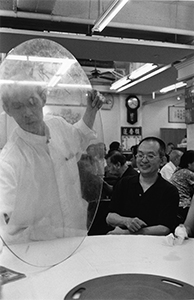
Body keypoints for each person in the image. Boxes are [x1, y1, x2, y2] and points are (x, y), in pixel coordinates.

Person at [0, 75, 104, 243]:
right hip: (37, 251)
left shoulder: (58, 126)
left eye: (32, 102)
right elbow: (3, 223)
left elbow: (78, 137)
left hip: (76, 237)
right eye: (17, 106)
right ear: (7, 109)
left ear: (43, 98)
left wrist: (91, 112)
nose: (27, 113)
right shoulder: (8, 162)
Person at [106, 136, 179, 236]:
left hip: (154, 245)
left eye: (150, 156)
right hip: (122, 245)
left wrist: (127, 233)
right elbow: (110, 217)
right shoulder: (124, 183)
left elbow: (164, 228)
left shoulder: (169, 191)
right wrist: (127, 221)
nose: (144, 160)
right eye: (140, 155)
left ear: (162, 160)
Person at [170, 150, 194, 225]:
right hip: (184, 206)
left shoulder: (178, 171)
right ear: (189, 163)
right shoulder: (187, 173)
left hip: (174, 206)